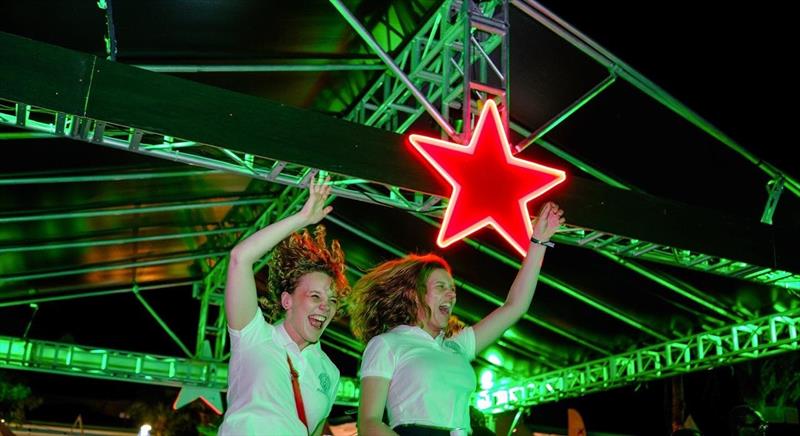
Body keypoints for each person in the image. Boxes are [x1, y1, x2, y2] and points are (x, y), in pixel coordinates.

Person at [349, 201, 565, 436]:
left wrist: (539, 242)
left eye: (452, 289)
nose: (451, 294)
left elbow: (515, 306)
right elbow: (369, 423)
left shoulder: (456, 346)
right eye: (440, 286)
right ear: (414, 294)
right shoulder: (387, 344)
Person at [219, 176, 350, 436]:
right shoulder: (254, 336)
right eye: (315, 296)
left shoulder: (329, 372)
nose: (326, 307)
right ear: (287, 300)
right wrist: (302, 219)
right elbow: (239, 258)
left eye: (332, 300)